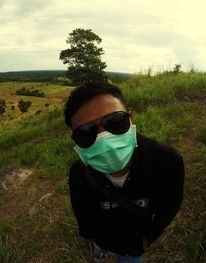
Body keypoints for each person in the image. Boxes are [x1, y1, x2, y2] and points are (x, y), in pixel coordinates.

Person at [64, 82, 185, 263]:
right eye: (86, 132)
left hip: (134, 244)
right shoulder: (79, 174)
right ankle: (98, 252)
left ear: (130, 118)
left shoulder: (166, 161)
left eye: (115, 121)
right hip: (101, 236)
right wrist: (87, 234)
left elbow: (170, 204)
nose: (104, 138)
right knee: (98, 254)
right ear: (75, 139)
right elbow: (81, 209)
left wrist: (148, 237)